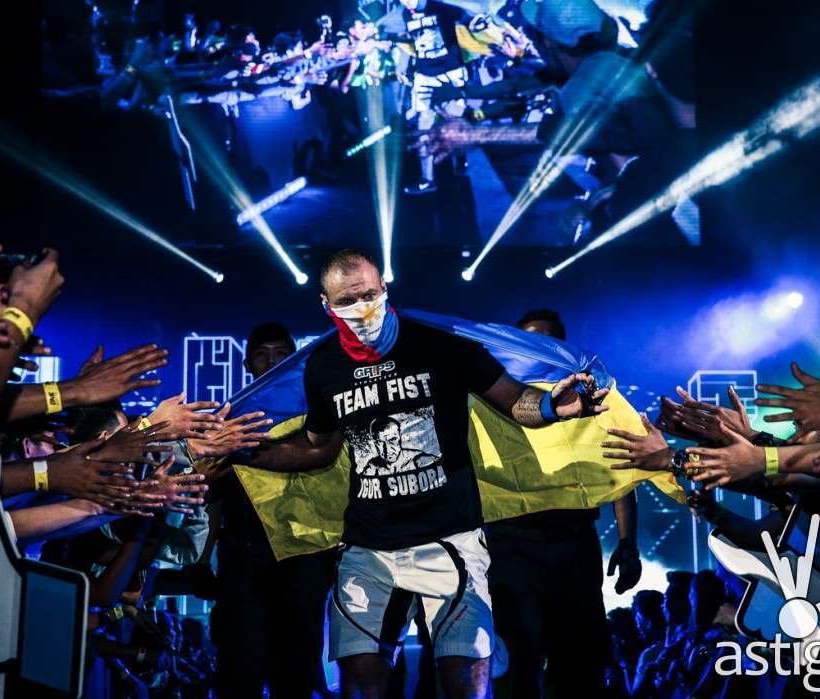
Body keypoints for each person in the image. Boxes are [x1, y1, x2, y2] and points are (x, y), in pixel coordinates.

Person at [234, 249, 609, 699]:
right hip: (368, 548)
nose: (362, 308)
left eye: (369, 295)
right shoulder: (325, 366)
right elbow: (318, 449)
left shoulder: (442, 345)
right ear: (325, 304)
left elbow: (515, 401)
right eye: (347, 301)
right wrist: (244, 452)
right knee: (360, 682)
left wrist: (552, 406)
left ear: (384, 288)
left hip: (449, 541)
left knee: (465, 682)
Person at [487, 307, 641, 698]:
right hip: (510, 541)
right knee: (516, 654)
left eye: (549, 338)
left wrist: (628, 541)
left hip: (573, 540)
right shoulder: (492, 396)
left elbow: (617, 469)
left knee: (577, 656)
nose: (540, 347)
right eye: (529, 339)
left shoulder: (590, 395)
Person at [204, 322, 335, 699]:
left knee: (296, 666)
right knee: (239, 664)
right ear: (248, 363)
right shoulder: (228, 417)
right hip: (244, 550)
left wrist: (246, 452)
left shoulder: (316, 407)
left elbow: (323, 456)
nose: (273, 361)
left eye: (282, 353)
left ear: (295, 359)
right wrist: (204, 554)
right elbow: (213, 491)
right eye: (263, 354)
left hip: (303, 551)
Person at [400, 0, 477, 195]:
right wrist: (403, 65)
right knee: (423, 125)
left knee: (453, 122)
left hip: (451, 73)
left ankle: (460, 156)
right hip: (424, 75)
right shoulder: (405, 14)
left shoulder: (440, 7)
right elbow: (411, 41)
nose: (405, 2)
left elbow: (469, 18)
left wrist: (479, 32)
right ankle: (427, 179)